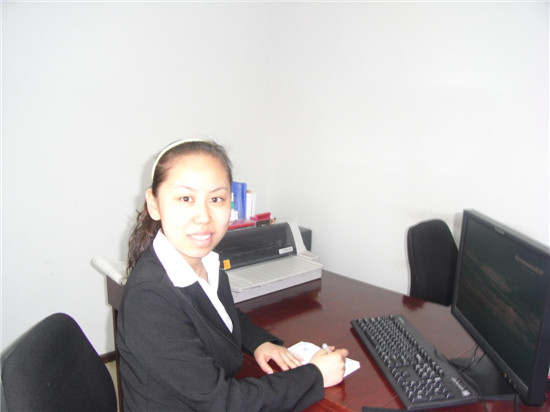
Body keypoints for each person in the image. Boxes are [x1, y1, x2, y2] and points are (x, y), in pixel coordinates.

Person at [116, 139, 349, 411]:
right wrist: (315, 376)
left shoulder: (204, 262)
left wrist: (259, 342)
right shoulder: (150, 298)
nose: (203, 216)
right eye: (185, 199)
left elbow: (217, 313)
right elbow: (224, 403)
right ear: (154, 204)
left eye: (216, 199)